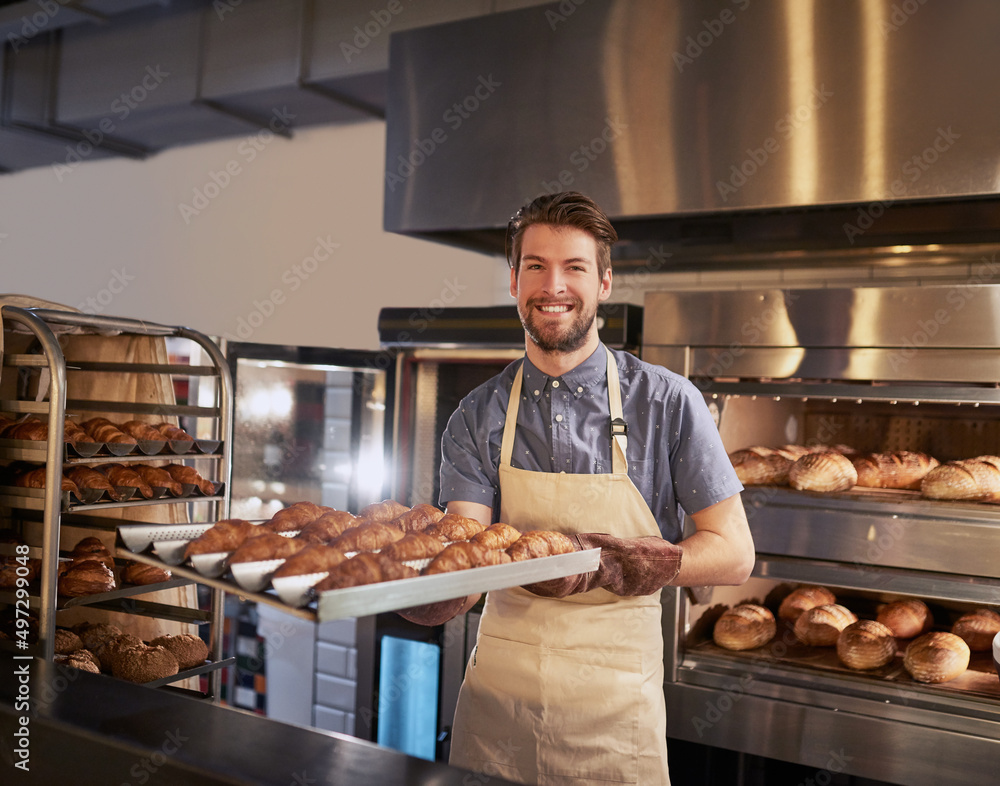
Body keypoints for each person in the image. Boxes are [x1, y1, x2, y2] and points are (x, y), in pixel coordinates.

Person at [400, 191, 755, 785]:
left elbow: (735, 553)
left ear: (605, 282)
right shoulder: (478, 415)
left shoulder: (666, 403)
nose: (553, 285)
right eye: (535, 266)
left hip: (615, 718)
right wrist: (422, 588)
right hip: (498, 709)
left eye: (575, 268)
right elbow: (472, 548)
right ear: (513, 281)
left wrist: (621, 563)